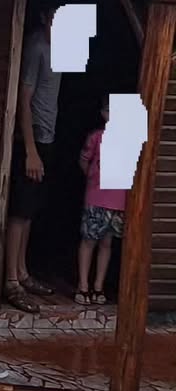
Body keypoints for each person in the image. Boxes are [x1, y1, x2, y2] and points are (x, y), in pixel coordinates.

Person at [4, 0, 62, 312]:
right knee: (20, 208)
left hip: (48, 135)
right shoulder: (36, 46)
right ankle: (11, 279)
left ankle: (23, 272)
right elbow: (23, 100)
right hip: (34, 136)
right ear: (44, 17)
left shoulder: (61, 47)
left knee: (32, 209)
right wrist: (29, 150)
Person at [75, 99, 126, 307]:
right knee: (89, 240)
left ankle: (98, 286)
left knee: (107, 243)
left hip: (119, 200)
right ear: (103, 113)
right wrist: (93, 180)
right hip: (96, 197)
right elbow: (83, 160)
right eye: (109, 110)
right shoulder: (96, 137)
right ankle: (83, 285)